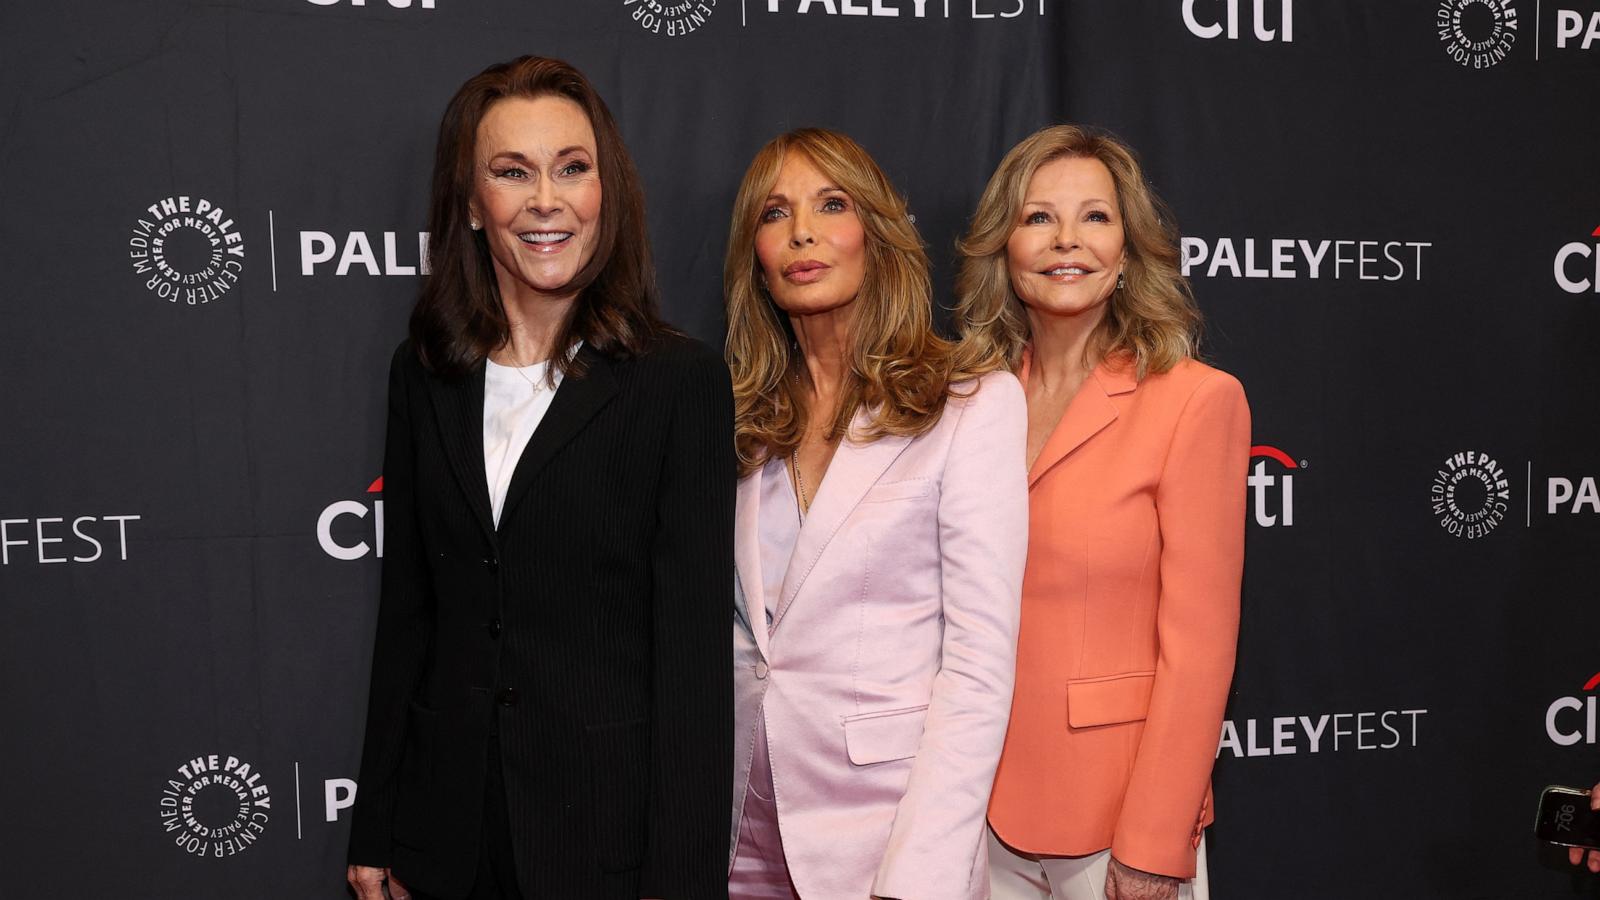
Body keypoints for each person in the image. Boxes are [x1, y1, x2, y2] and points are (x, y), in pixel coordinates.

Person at [345, 56, 734, 900]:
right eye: (512, 172)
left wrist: (682, 883)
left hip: (605, 843)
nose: (546, 200)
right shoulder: (424, 374)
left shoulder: (679, 383)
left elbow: (694, 669)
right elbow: (409, 613)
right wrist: (377, 822)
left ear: (606, 192)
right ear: (471, 204)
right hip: (446, 837)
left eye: (572, 168)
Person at [722, 127, 1029, 900]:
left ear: (879, 232)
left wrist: (920, 876)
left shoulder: (971, 405)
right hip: (737, 834)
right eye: (774, 213)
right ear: (754, 255)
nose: (802, 232)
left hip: (885, 835)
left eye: (832, 204)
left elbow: (978, 667)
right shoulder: (736, 419)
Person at [956, 125, 1249, 900]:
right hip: (970, 806)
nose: (1067, 240)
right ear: (1004, 248)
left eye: (1094, 216)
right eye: (1038, 217)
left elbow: (1200, 651)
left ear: (1127, 250)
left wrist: (1154, 841)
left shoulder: (1195, 401)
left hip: (1115, 820)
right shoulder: (966, 400)